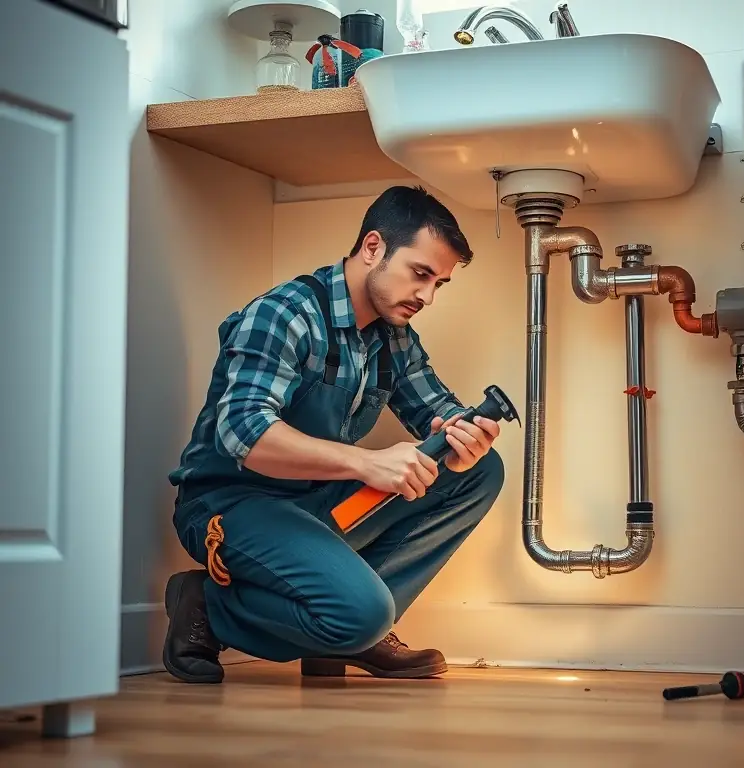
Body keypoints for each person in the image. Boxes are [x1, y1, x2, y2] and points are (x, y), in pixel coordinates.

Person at [162, 185, 505, 684]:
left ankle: (349, 632)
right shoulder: (284, 314)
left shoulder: (395, 338)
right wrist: (365, 462)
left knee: (477, 473)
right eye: (421, 274)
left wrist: (466, 440)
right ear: (372, 248)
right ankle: (210, 603)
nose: (427, 296)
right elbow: (244, 433)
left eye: (439, 284)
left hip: (314, 505)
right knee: (360, 614)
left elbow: (438, 413)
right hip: (232, 504)